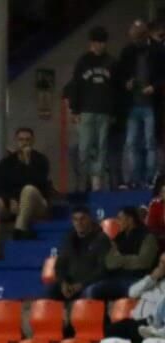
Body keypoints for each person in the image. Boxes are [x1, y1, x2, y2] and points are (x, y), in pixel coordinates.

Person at [64, 27, 117, 192]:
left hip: (104, 111)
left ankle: (96, 184)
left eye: (101, 43)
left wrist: (114, 112)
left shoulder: (111, 62)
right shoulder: (83, 61)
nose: (98, 46)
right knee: (84, 147)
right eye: (96, 42)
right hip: (86, 110)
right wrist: (75, 109)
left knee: (101, 147)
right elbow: (76, 85)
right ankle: (82, 182)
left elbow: (115, 89)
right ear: (91, 43)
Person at [119, 20, 163, 189]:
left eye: (137, 38)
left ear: (145, 36)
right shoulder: (128, 51)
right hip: (132, 105)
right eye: (133, 38)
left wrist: (154, 87)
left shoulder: (158, 50)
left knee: (150, 142)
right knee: (131, 143)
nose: (135, 41)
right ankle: (135, 179)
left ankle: (150, 179)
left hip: (151, 105)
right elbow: (120, 74)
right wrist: (126, 83)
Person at [90, 207, 159, 300]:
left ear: (130, 220)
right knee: (93, 290)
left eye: (120, 218)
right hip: (117, 278)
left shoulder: (147, 237)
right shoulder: (119, 237)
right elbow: (110, 263)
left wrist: (121, 260)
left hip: (138, 279)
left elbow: (144, 262)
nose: (117, 222)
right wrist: (128, 260)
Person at [0, 128, 53, 240]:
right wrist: (9, 199)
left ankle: (19, 229)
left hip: (37, 203)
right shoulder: (7, 162)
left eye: (28, 140)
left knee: (28, 189)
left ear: (33, 141)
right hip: (14, 202)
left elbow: (39, 183)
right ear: (16, 141)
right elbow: (1, 185)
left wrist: (28, 162)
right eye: (21, 139)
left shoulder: (41, 160)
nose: (24, 143)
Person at [50, 208, 112, 301]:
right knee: (51, 291)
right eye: (75, 219)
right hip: (71, 284)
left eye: (82, 219)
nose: (79, 222)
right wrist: (63, 283)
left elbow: (103, 270)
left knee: (91, 291)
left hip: (91, 283)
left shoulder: (101, 239)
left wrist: (82, 285)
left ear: (90, 219)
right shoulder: (69, 240)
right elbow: (59, 266)